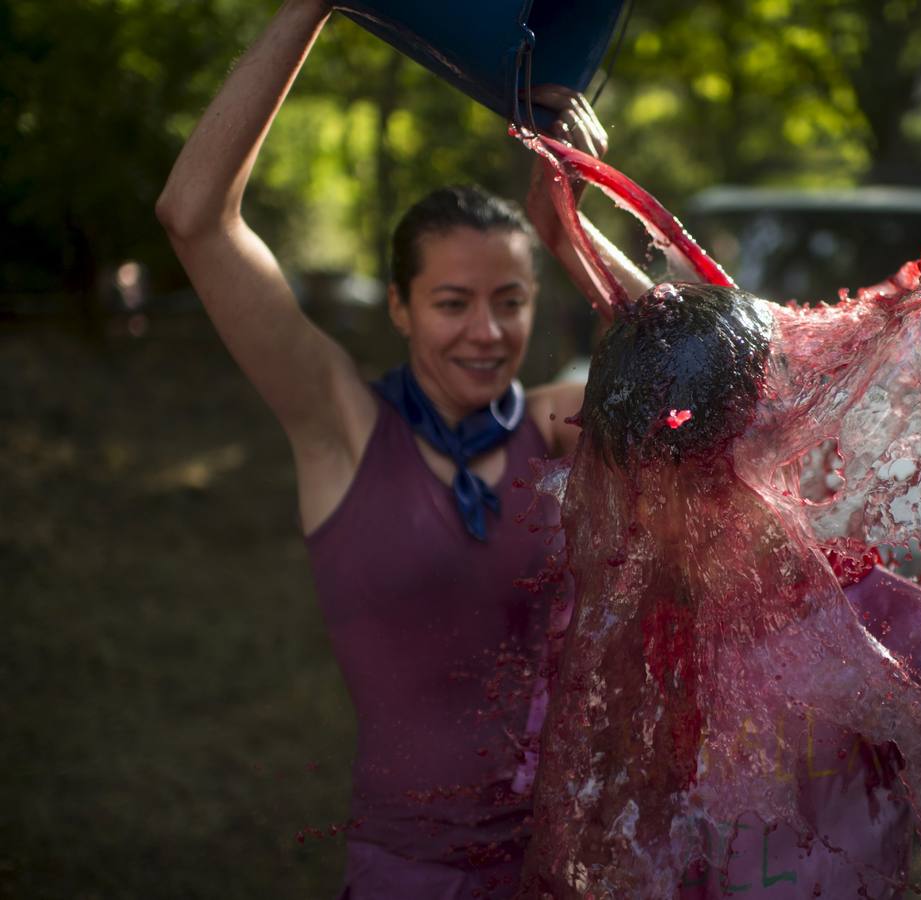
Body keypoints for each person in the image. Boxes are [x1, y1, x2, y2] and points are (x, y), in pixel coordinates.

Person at [154, 2, 636, 896]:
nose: (485, 332)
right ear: (400, 309)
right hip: (406, 877)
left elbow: (715, 392)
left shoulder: (555, 425)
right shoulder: (343, 431)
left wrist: (575, 231)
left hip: (565, 874)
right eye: (452, 302)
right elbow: (194, 218)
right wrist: (312, 6)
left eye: (511, 300)